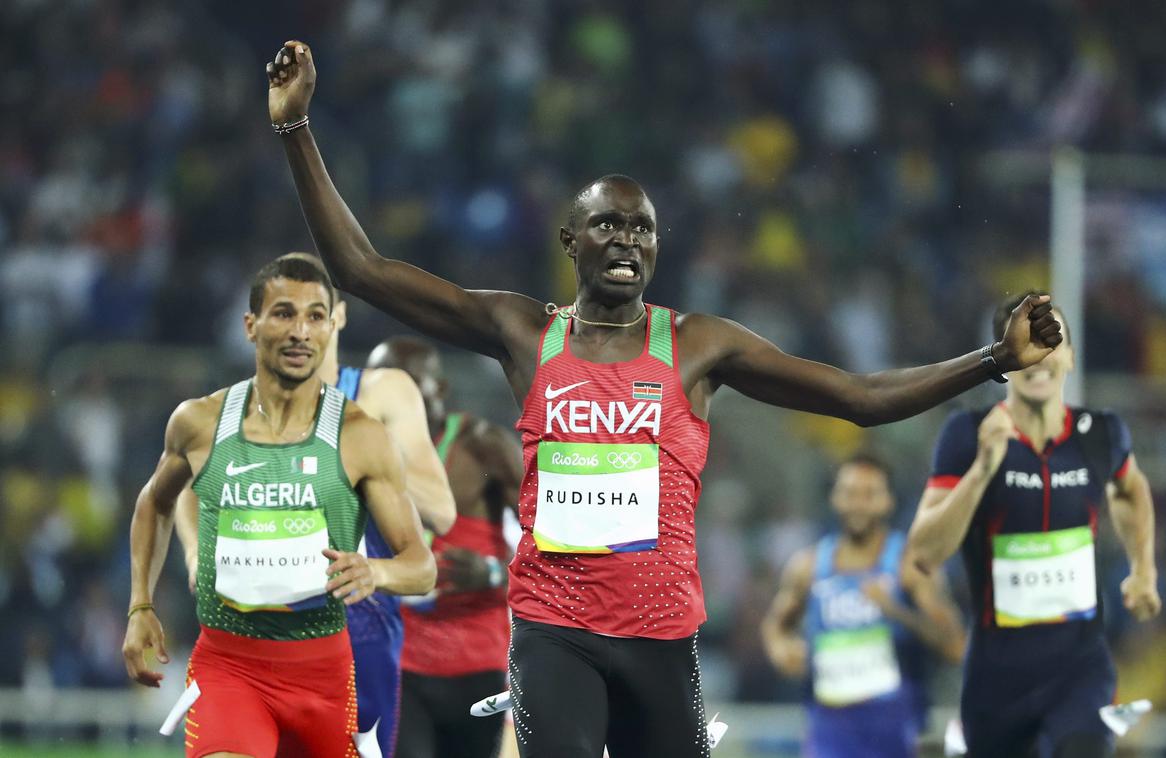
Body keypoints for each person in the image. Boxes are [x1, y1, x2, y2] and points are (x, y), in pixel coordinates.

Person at [266, 40, 1063, 757]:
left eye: (643, 229)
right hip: (553, 628)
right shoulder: (522, 331)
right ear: (571, 242)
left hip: (661, 634)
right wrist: (297, 130)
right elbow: (365, 271)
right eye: (608, 226)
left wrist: (995, 357)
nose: (629, 241)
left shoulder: (698, 345)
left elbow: (857, 397)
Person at [122, 255, 436, 758]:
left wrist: (375, 571)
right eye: (284, 313)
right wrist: (141, 602)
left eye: (315, 316)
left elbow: (421, 566)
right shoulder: (199, 423)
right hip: (230, 666)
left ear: (332, 325)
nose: (300, 331)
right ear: (251, 325)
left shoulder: (361, 437)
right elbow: (155, 502)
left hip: (325, 677)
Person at [907, 292, 1161, 758]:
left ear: (1070, 355)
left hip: (1079, 672)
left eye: (1051, 339)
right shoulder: (967, 436)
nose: (1039, 355)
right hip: (996, 678)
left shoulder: (1101, 433)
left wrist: (1143, 568)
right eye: (1026, 342)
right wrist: (983, 468)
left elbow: (1131, 490)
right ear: (1006, 359)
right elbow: (923, 552)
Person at [368, 336, 523, 758]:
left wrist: (493, 572)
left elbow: (551, 545)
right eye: (382, 386)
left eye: (408, 386)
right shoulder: (360, 452)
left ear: (440, 390)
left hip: (478, 663)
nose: (392, 400)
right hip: (400, 663)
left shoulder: (482, 446)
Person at [761, 453, 965, 758]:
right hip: (828, 734)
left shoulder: (910, 566)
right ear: (834, 498)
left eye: (869, 495)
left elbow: (955, 646)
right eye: (850, 493)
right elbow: (775, 626)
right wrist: (783, 650)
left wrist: (897, 612)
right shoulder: (808, 567)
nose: (858, 504)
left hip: (897, 734)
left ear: (888, 501)